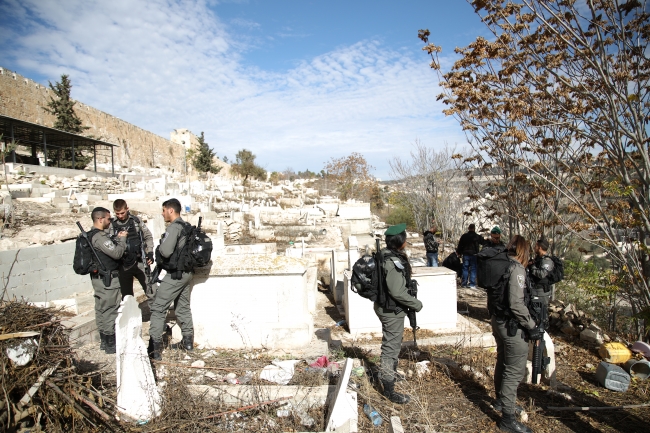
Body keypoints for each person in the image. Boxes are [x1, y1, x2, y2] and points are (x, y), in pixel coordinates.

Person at [490, 235, 541, 433]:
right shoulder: (517, 269)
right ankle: (508, 419)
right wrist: (531, 325)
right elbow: (516, 304)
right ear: (523, 251)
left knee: (502, 362)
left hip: (498, 321)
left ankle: (501, 402)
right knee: (514, 371)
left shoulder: (502, 264)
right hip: (511, 326)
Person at [375, 223, 423, 404]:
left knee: (391, 345)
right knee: (391, 349)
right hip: (391, 310)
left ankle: (390, 374)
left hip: (386, 307)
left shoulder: (386, 255)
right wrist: (416, 304)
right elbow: (397, 292)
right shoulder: (392, 262)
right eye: (405, 238)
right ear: (400, 241)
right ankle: (388, 388)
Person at [148, 198, 195, 361]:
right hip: (186, 273)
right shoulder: (186, 226)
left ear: (170, 210)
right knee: (182, 308)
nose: (162, 214)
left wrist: (160, 248)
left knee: (158, 307)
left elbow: (166, 251)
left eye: (163, 210)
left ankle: (154, 349)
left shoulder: (174, 228)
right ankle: (188, 343)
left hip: (175, 274)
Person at [88, 207, 127, 354]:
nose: (110, 221)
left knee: (101, 309)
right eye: (108, 219)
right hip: (108, 280)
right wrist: (122, 239)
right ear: (100, 219)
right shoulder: (99, 237)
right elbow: (116, 253)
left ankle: (105, 341)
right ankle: (111, 343)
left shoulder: (91, 235)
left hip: (99, 279)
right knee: (110, 309)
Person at [110, 199, 154, 299]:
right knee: (127, 297)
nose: (120, 216)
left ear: (127, 209)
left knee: (151, 290)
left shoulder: (136, 221)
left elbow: (148, 237)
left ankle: (155, 314)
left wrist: (150, 252)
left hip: (140, 262)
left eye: (122, 213)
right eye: (117, 214)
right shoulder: (111, 225)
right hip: (123, 264)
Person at [456, 223, 486, 288]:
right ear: (474, 229)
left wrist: (459, 252)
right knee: (473, 269)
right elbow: (484, 242)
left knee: (465, 268)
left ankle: (464, 283)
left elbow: (460, 245)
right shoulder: (477, 236)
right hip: (474, 255)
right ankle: (472, 284)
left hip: (466, 254)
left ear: (468, 228)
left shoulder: (464, 236)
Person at [528, 238, 554, 305]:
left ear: (540, 248)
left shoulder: (547, 261)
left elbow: (542, 274)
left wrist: (532, 266)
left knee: (542, 312)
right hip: (534, 291)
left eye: (535, 246)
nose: (534, 248)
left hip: (542, 293)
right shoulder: (538, 259)